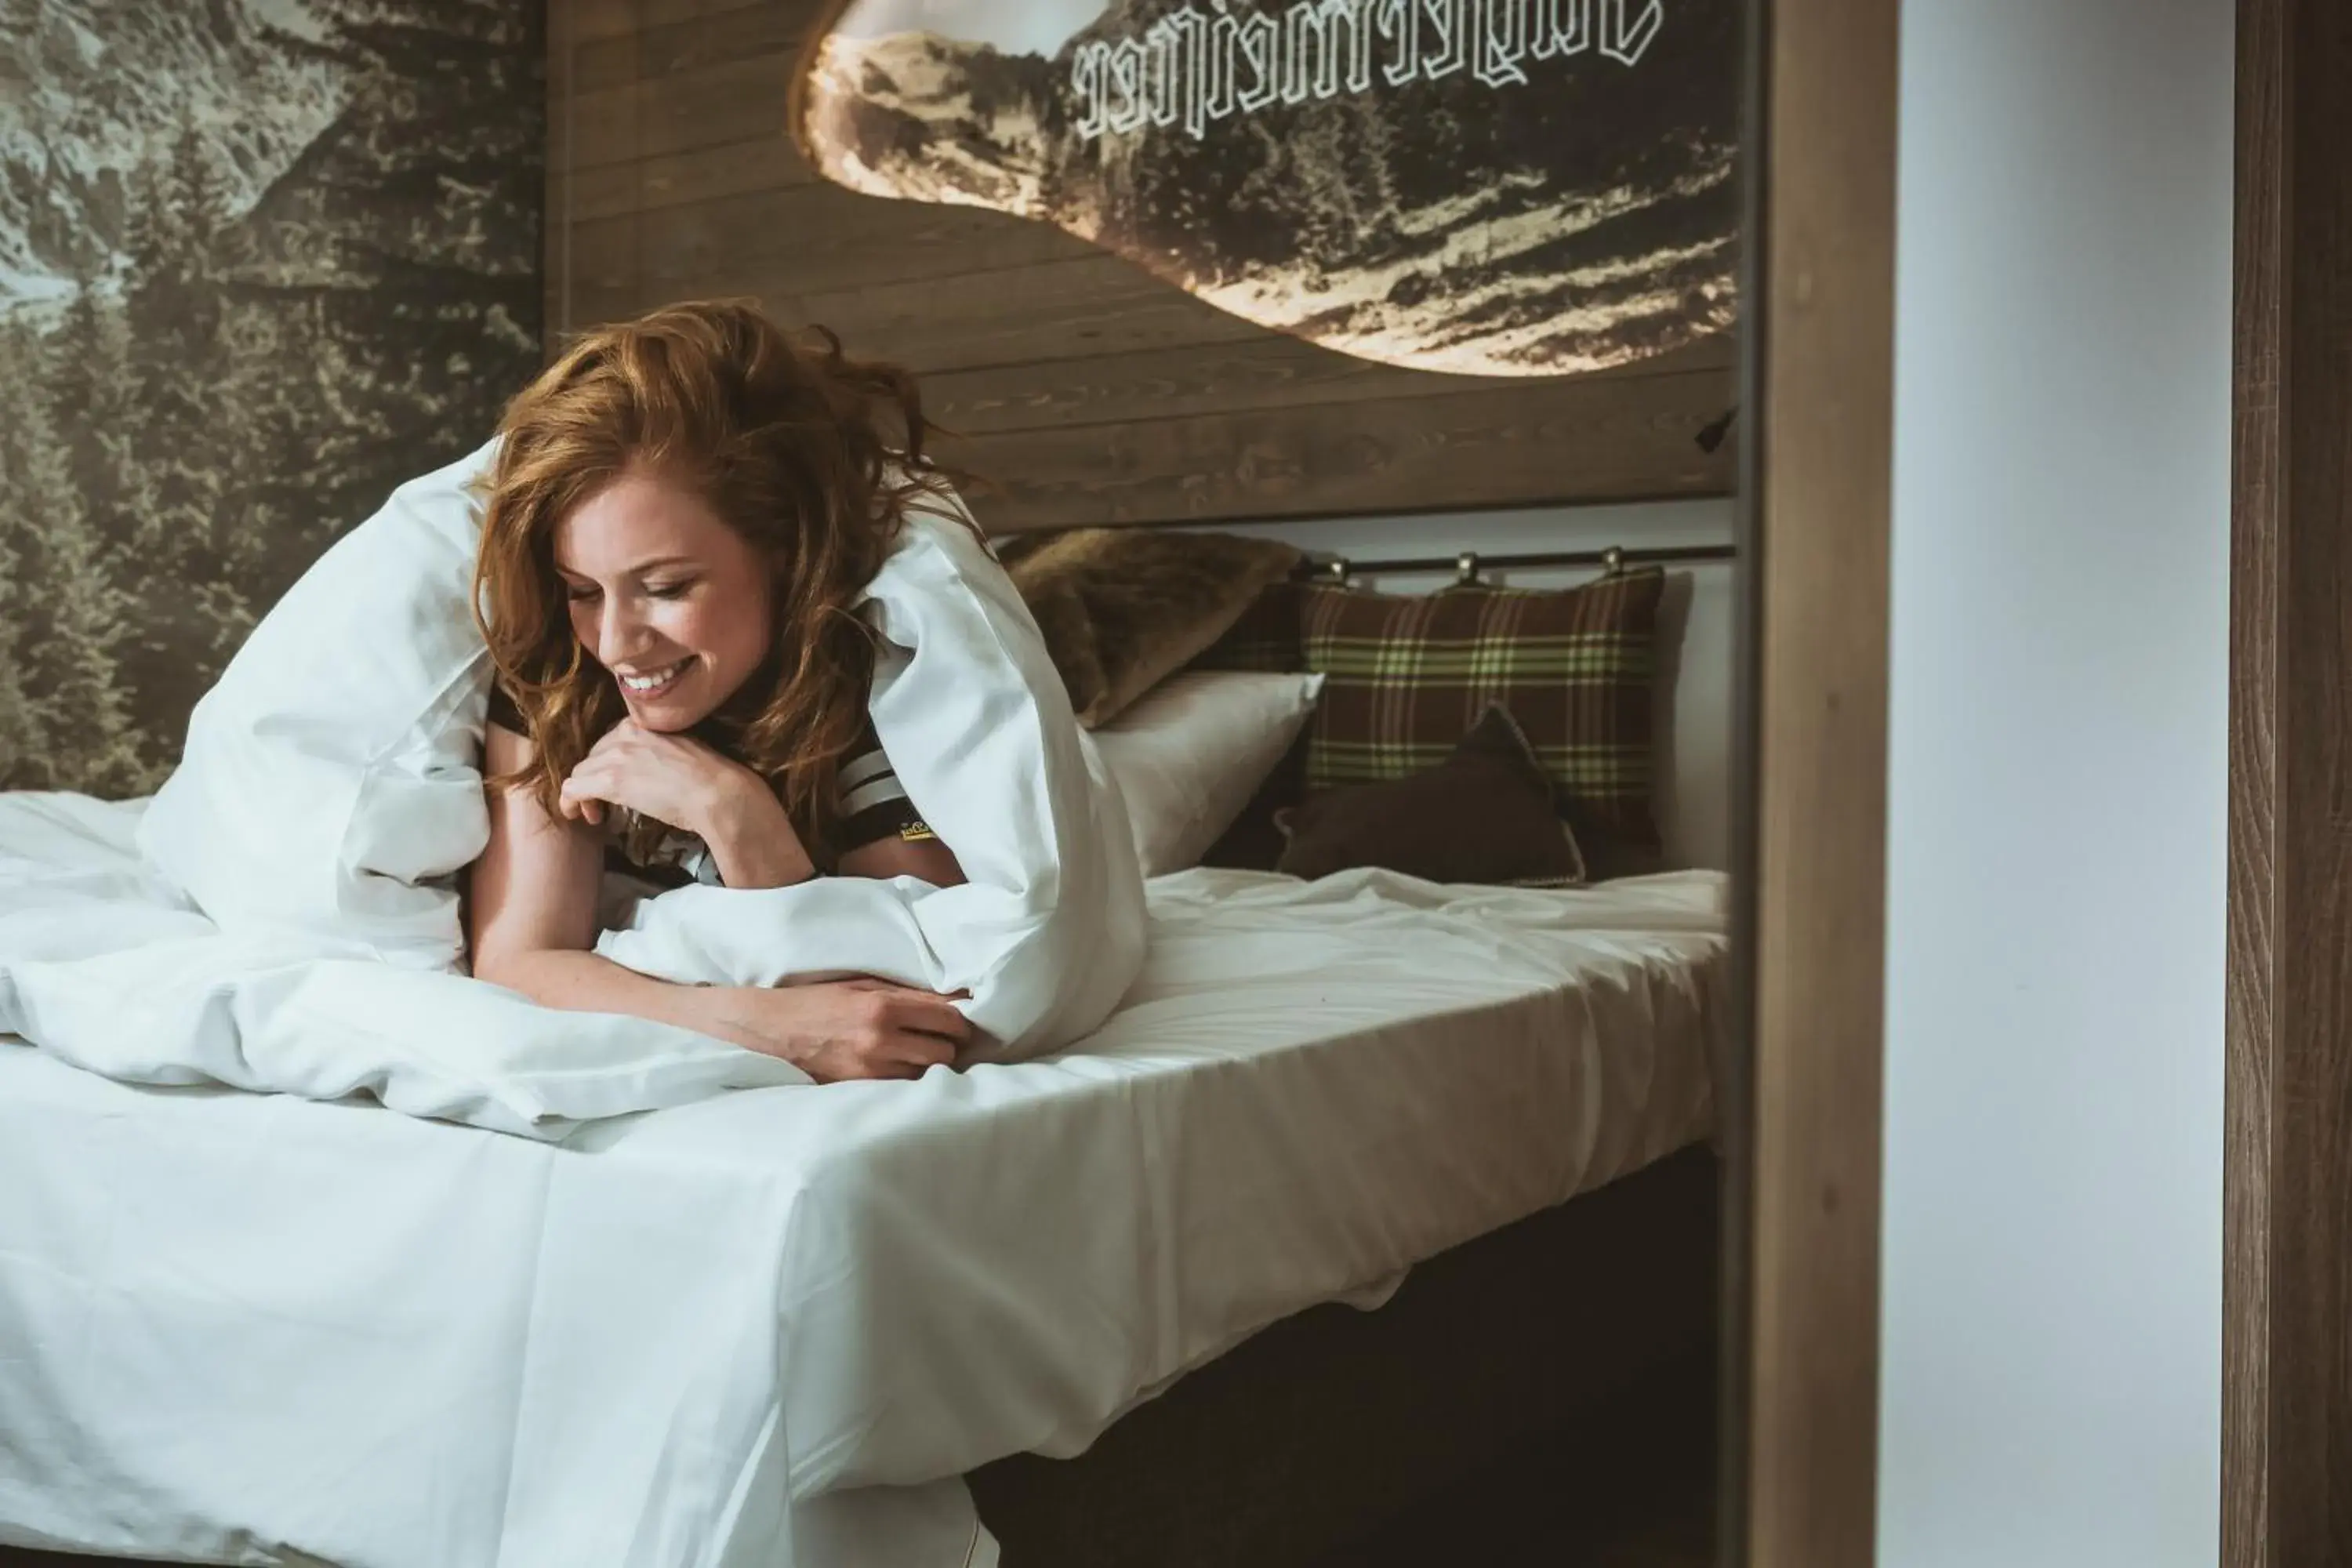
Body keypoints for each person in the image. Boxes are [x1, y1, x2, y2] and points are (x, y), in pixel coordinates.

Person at [465, 300, 981, 1083]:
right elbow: (520, 961)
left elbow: (923, 991)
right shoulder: (561, 678)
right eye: (583, 589)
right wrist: (762, 1025)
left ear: (782, 548)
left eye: (666, 586)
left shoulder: (873, 686)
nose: (615, 644)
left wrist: (740, 824)